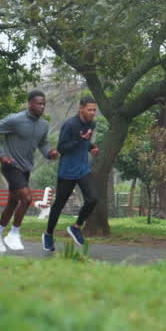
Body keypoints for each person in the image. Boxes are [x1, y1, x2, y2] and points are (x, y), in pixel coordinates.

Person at [0, 90, 58, 252]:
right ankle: (14, 233)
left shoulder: (43, 125)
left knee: (13, 203)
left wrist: (49, 153)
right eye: (39, 103)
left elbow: (43, 143)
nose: (42, 106)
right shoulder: (15, 119)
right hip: (10, 165)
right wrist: (1, 155)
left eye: (44, 104)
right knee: (26, 198)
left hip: (25, 168)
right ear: (30, 103)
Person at [42, 97, 101, 252]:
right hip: (67, 171)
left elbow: (85, 142)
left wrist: (92, 147)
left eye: (94, 110)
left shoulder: (91, 124)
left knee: (93, 199)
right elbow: (61, 147)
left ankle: (76, 227)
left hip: (83, 169)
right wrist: (77, 140)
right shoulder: (70, 125)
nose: (93, 113)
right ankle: (48, 234)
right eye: (90, 110)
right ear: (80, 109)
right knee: (59, 205)